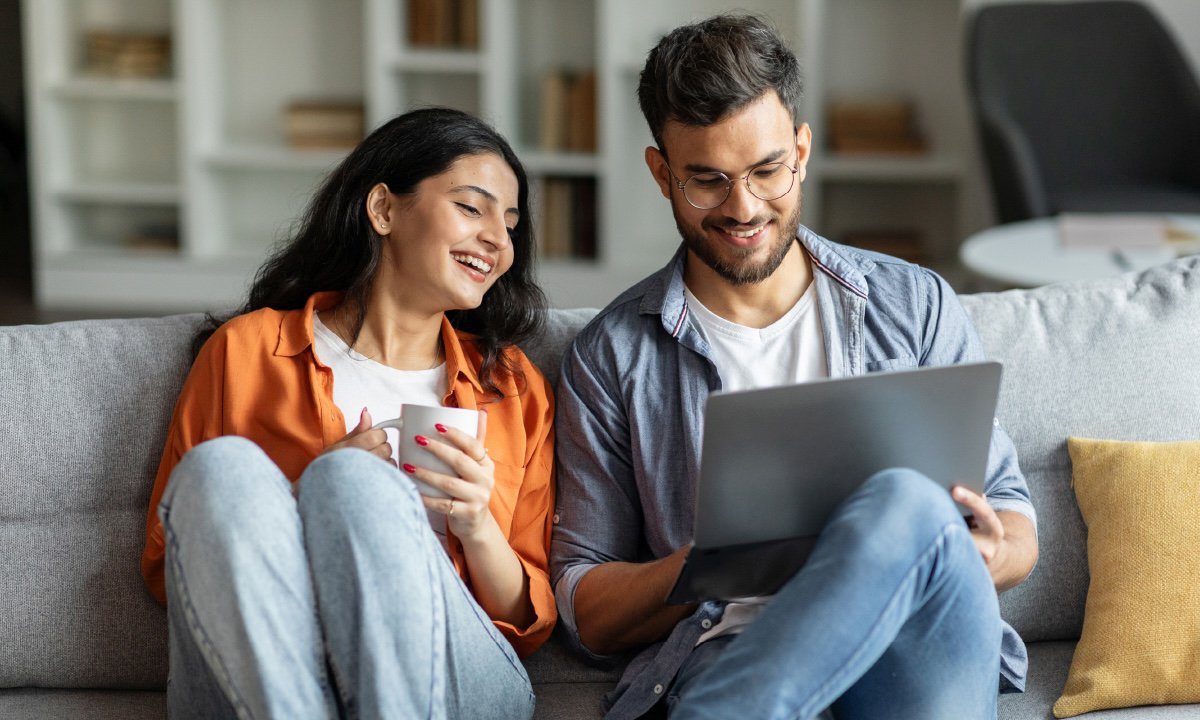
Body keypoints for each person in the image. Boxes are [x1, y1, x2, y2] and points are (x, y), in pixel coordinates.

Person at [550, 14, 1038, 720]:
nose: (743, 207)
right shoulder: (614, 355)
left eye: (767, 172)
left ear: (802, 152)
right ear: (662, 174)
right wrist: (713, 559)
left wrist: (980, 555)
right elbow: (586, 609)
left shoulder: (914, 305)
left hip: (912, 650)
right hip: (733, 648)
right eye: (707, 181)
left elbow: (1015, 523)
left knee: (907, 502)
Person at [140, 107, 556, 720]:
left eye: (511, 221)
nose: (499, 238)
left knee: (353, 481)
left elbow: (528, 620)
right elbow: (168, 566)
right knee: (222, 469)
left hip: (455, 674)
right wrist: (300, 495)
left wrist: (475, 524)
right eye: (472, 207)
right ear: (384, 209)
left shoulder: (512, 386)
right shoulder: (247, 352)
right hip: (280, 658)